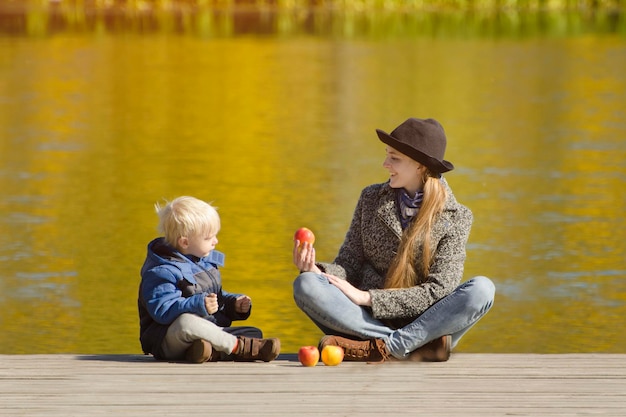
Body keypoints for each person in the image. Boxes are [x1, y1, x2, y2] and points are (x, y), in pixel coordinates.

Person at [292, 117, 495, 363]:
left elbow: (438, 291)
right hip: (368, 319)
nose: (385, 164)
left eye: (394, 158)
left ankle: (388, 346)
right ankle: (414, 345)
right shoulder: (370, 198)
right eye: (387, 155)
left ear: (420, 166)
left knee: (483, 289)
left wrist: (368, 297)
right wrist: (315, 270)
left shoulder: (457, 217)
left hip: (426, 321)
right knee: (306, 285)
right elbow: (349, 264)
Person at [138, 196, 280, 363]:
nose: (216, 241)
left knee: (254, 333)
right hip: (166, 338)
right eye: (208, 238)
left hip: (204, 328)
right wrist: (199, 304)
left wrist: (232, 304)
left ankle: (206, 351)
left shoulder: (201, 260)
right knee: (187, 322)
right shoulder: (161, 271)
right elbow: (163, 309)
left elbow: (213, 296)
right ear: (185, 242)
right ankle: (238, 348)